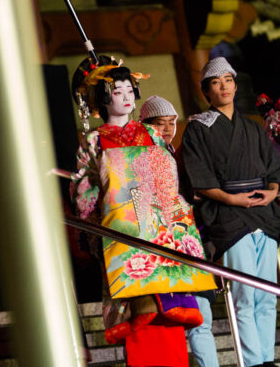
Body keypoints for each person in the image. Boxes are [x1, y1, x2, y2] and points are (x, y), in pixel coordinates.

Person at [70, 57, 215, 366]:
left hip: (158, 231)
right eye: (117, 91)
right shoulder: (94, 141)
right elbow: (83, 192)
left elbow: (169, 179)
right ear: (103, 98)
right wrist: (105, 214)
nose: (125, 96)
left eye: (128, 90)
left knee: (170, 325)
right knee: (139, 325)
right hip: (122, 236)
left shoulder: (150, 135)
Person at [181, 57, 280, 367]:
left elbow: (273, 168)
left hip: (264, 213)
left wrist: (274, 191)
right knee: (244, 295)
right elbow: (199, 177)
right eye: (215, 82)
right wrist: (231, 199)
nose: (223, 86)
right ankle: (252, 362)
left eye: (228, 80)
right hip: (230, 216)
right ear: (206, 92)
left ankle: (266, 359)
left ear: (236, 86)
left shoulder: (252, 127)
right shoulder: (197, 128)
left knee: (267, 295)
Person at [140, 96, 220, 367]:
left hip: (189, 241)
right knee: (171, 322)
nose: (166, 129)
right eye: (159, 123)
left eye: (172, 123)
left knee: (202, 317)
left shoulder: (178, 154)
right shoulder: (140, 157)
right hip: (161, 245)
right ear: (145, 125)